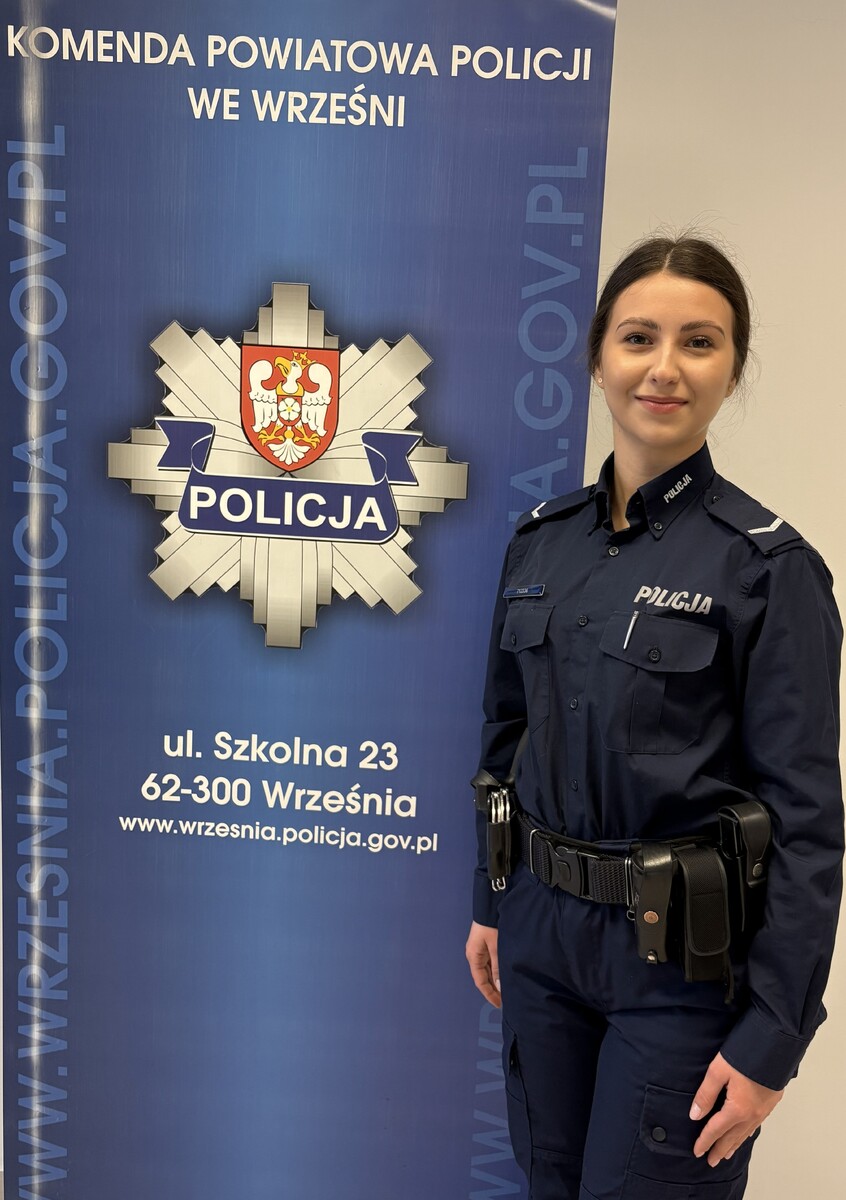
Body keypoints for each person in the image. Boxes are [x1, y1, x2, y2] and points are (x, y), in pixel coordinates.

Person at [465, 235, 843, 1200]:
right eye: (639, 338)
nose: (665, 368)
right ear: (598, 358)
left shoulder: (768, 570)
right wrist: (491, 901)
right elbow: (505, 739)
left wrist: (773, 1040)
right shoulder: (540, 544)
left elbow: (807, 827)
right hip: (541, 941)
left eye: (699, 342)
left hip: (680, 968)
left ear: (732, 371)